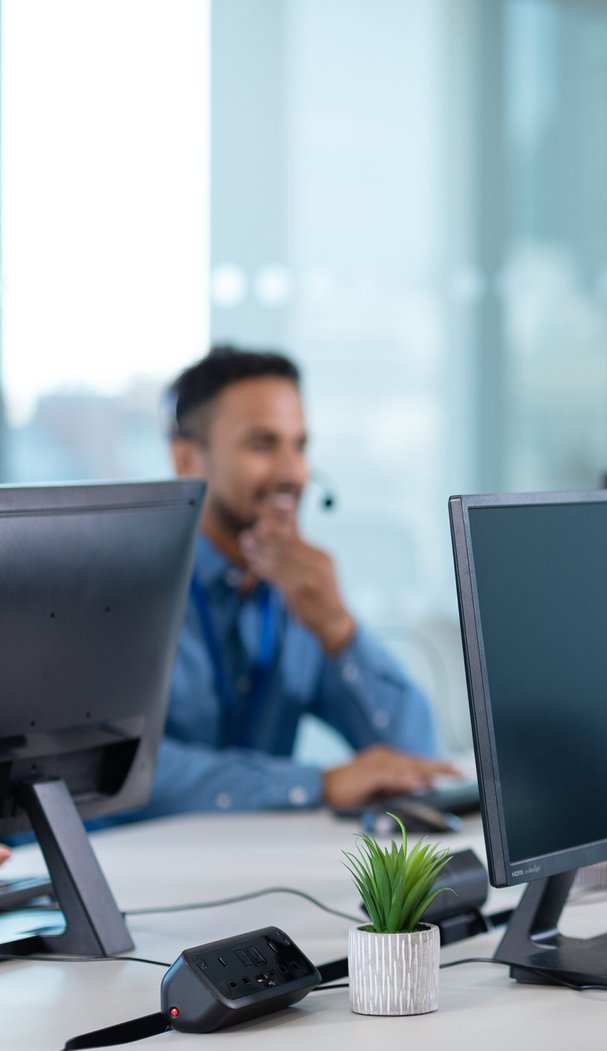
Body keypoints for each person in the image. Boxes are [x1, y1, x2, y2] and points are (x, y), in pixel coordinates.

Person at [127, 345, 455, 821]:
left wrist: (339, 630)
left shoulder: (295, 593)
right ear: (186, 459)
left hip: (265, 874)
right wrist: (316, 784)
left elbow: (416, 760)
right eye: (263, 444)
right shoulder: (130, 593)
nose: (293, 473)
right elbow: (120, 775)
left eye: (299, 446)